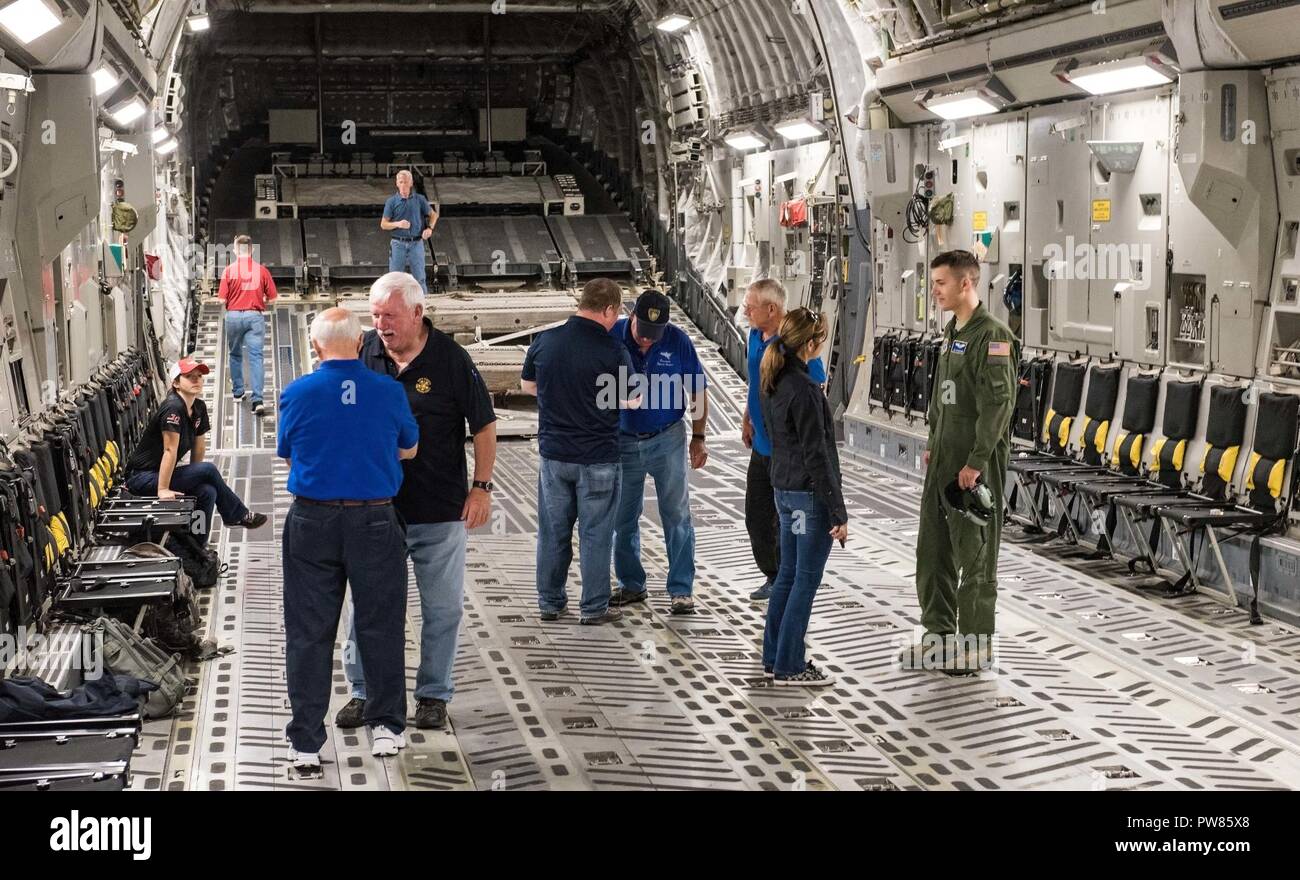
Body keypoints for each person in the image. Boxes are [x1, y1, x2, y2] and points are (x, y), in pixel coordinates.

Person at [334, 272, 498, 732]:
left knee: (442, 609)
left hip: (439, 510)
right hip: (374, 509)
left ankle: (432, 695)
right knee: (368, 605)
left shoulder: (450, 359)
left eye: (390, 315)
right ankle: (365, 692)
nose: (381, 324)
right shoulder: (361, 352)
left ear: (418, 313)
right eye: (375, 315)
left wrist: (481, 488)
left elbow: (484, 426)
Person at [277, 308, 420, 770]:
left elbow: (288, 454)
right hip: (375, 521)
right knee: (381, 625)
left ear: (315, 346)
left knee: (308, 632)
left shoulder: (297, 393)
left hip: (311, 523)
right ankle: (387, 727)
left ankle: (305, 743)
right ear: (360, 343)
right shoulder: (388, 390)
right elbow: (409, 447)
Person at [900, 250, 1017, 675]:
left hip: (973, 465)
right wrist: (933, 441)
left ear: (966, 283)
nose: (934, 291)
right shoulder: (952, 332)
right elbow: (943, 395)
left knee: (976, 555)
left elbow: (998, 406)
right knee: (932, 552)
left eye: (941, 284)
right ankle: (939, 636)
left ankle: (975, 645)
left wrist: (976, 462)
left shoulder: (994, 336)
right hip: (942, 460)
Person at [521, 277, 635, 625]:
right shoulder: (613, 350)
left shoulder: (546, 340)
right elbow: (632, 397)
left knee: (553, 532)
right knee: (596, 535)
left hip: (555, 457)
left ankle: (550, 603)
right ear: (609, 310)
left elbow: (527, 385)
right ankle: (593, 608)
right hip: (598, 457)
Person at [759, 308, 848, 687]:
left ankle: (774, 655)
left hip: (784, 491)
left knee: (788, 576)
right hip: (808, 499)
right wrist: (838, 511)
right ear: (810, 344)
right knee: (806, 580)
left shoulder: (774, 381)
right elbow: (818, 455)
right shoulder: (807, 392)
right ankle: (791, 665)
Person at [609, 290, 708, 615]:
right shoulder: (611, 335)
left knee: (677, 514)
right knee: (623, 518)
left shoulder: (677, 340)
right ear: (631, 315)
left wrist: (699, 436)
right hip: (623, 442)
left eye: (655, 336)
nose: (648, 342)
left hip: (668, 439)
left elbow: (697, 388)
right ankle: (631, 585)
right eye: (642, 334)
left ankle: (681, 590)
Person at [741, 279, 826, 601]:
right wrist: (748, 416)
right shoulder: (754, 334)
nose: (746, 310)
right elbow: (755, 380)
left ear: (771, 309)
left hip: (786, 448)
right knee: (756, 515)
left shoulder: (796, 342)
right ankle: (773, 574)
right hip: (761, 443)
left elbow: (814, 385)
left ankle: (787, 578)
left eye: (751, 305)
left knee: (787, 518)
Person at [124, 357, 267, 543]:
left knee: (207, 491)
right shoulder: (173, 408)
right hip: (141, 477)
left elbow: (198, 447)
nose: (196, 380)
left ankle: (197, 545)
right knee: (208, 470)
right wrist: (163, 489)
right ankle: (236, 515)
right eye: (189, 377)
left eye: (199, 376)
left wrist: (195, 476)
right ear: (176, 383)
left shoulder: (198, 407)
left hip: (160, 474)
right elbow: (169, 450)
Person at [217, 234, 277, 416]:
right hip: (254, 316)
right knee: (256, 357)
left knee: (235, 354)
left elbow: (221, 299)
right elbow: (274, 299)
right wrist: (262, 300)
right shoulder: (262, 270)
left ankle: (238, 392)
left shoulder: (228, 271)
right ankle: (257, 400)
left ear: (235, 250)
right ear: (252, 250)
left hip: (233, 317)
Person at [381, 170, 438, 296]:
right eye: (401, 182)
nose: (403, 185)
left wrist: (429, 228)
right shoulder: (391, 202)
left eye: (406, 182)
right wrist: (398, 224)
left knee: (420, 278)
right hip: (397, 243)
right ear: (396, 183)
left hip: (416, 243)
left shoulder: (419, 199)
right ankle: (393, 306)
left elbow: (433, 215)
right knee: (394, 279)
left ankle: (422, 305)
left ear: (411, 183)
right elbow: (383, 224)